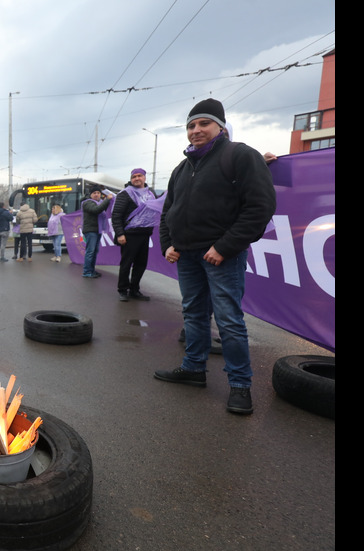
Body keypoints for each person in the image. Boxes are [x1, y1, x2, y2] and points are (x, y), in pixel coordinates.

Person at [155, 98, 277, 415]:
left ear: (220, 127)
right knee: (194, 315)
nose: (196, 130)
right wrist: (169, 243)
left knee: (228, 321)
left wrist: (224, 247)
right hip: (186, 255)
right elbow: (168, 211)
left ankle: (240, 385)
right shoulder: (181, 168)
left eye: (203, 124)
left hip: (222, 256)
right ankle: (194, 369)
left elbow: (260, 207)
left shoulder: (240, 155)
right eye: (191, 126)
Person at [112, 168, 157, 301]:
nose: (137, 178)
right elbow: (116, 215)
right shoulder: (125, 194)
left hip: (145, 234)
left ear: (144, 177)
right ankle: (122, 290)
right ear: (131, 179)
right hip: (129, 235)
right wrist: (120, 234)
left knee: (141, 264)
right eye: (134, 177)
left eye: (140, 176)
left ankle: (134, 289)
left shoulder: (151, 193)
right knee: (126, 263)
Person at [81, 186, 113, 278]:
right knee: (90, 252)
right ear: (90, 195)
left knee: (94, 251)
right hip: (90, 230)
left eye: (98, 193)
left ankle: (91, 270)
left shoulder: (100, 203)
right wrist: (107, 200)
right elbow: (96, 210)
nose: (96, 194)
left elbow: (102, 208)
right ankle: (87, 272)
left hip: (97, 230)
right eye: (94, 193)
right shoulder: (87, 203)